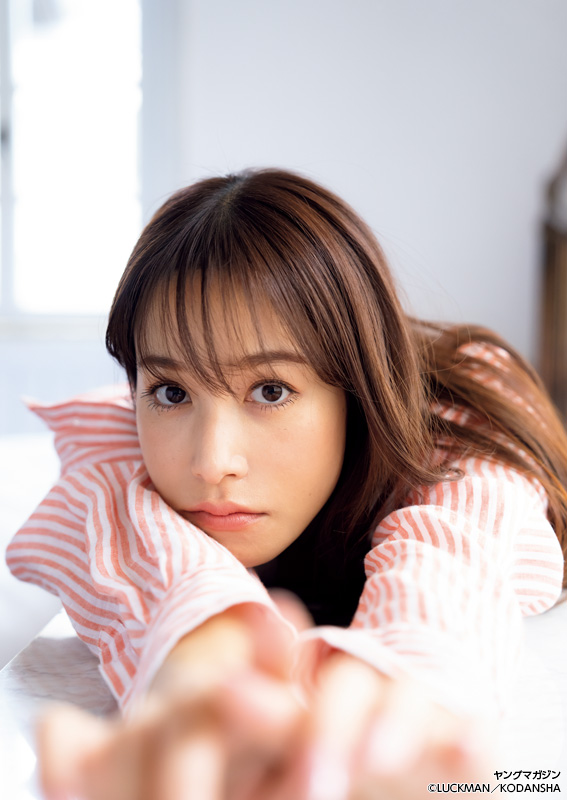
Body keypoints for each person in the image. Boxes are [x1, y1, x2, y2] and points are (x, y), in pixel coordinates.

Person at [7, 168, 567, 800]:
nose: (212, 461)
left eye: (270, 391)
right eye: (172, 392)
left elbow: (457, 548)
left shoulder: (460, 412)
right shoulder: (123, 431)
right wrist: (205, 659)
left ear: (357, 391)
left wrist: (400, 694)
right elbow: (117, 518)